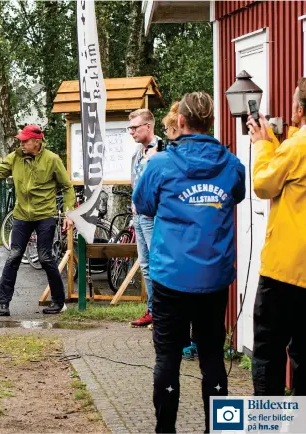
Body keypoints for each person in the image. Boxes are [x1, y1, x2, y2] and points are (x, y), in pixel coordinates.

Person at [132, 92, 245, 433]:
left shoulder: (161, 165)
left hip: (171, 277)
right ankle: (221, 428)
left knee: (168, 357)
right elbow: (237, 194)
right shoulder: (231, 165)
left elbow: (144, 204)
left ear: (180, 121)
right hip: (213, 277)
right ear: (210, 122)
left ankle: (165, 429)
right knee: (212, 356)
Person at [0, 124, 74, 316]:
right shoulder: (15, 158)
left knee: (45, 257)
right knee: (14, 256)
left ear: (37, 142)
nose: (21, 143)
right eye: (21, 140)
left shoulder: (52, 160)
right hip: (22, 215)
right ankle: (3, 302)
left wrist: (68, 213)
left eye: (25, 140)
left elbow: (67, 187)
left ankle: (58, 301)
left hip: (45, 215)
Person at [247, 77, 306, 396]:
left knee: (268, 354)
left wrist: (262, 143)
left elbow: (264, 184)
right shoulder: (296, 144)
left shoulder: (297, 146)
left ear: (299, 109)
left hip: (285, 270)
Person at [163, 103, 198, 362]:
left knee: (181, 299)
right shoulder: (222, 161)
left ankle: (185, 342)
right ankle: (192, 341)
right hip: (203, 247)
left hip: (177, 248)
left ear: (178, 127)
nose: (166, 135)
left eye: (167, 130)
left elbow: (144, 201)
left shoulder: (165, 162)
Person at [127, 108, 164, 328]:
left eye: (135, 127)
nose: (131, 132)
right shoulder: (137, 153)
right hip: (138, 215)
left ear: (148, 127)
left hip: (153, 216)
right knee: (146, 265)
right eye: (129, 128)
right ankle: (152, 310)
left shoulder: (160, 151)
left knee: (158, 263)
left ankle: (161, 313)